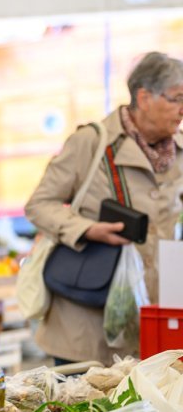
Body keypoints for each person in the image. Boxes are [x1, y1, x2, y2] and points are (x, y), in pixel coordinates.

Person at [25, 51, 183, 365]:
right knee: (83, 410)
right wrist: (87, 229)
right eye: (177, 98)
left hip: (153, 321)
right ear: (144, 97)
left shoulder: (179, 153)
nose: (182, 110)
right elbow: (39, 204)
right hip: (85, 321)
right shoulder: (92, 143)